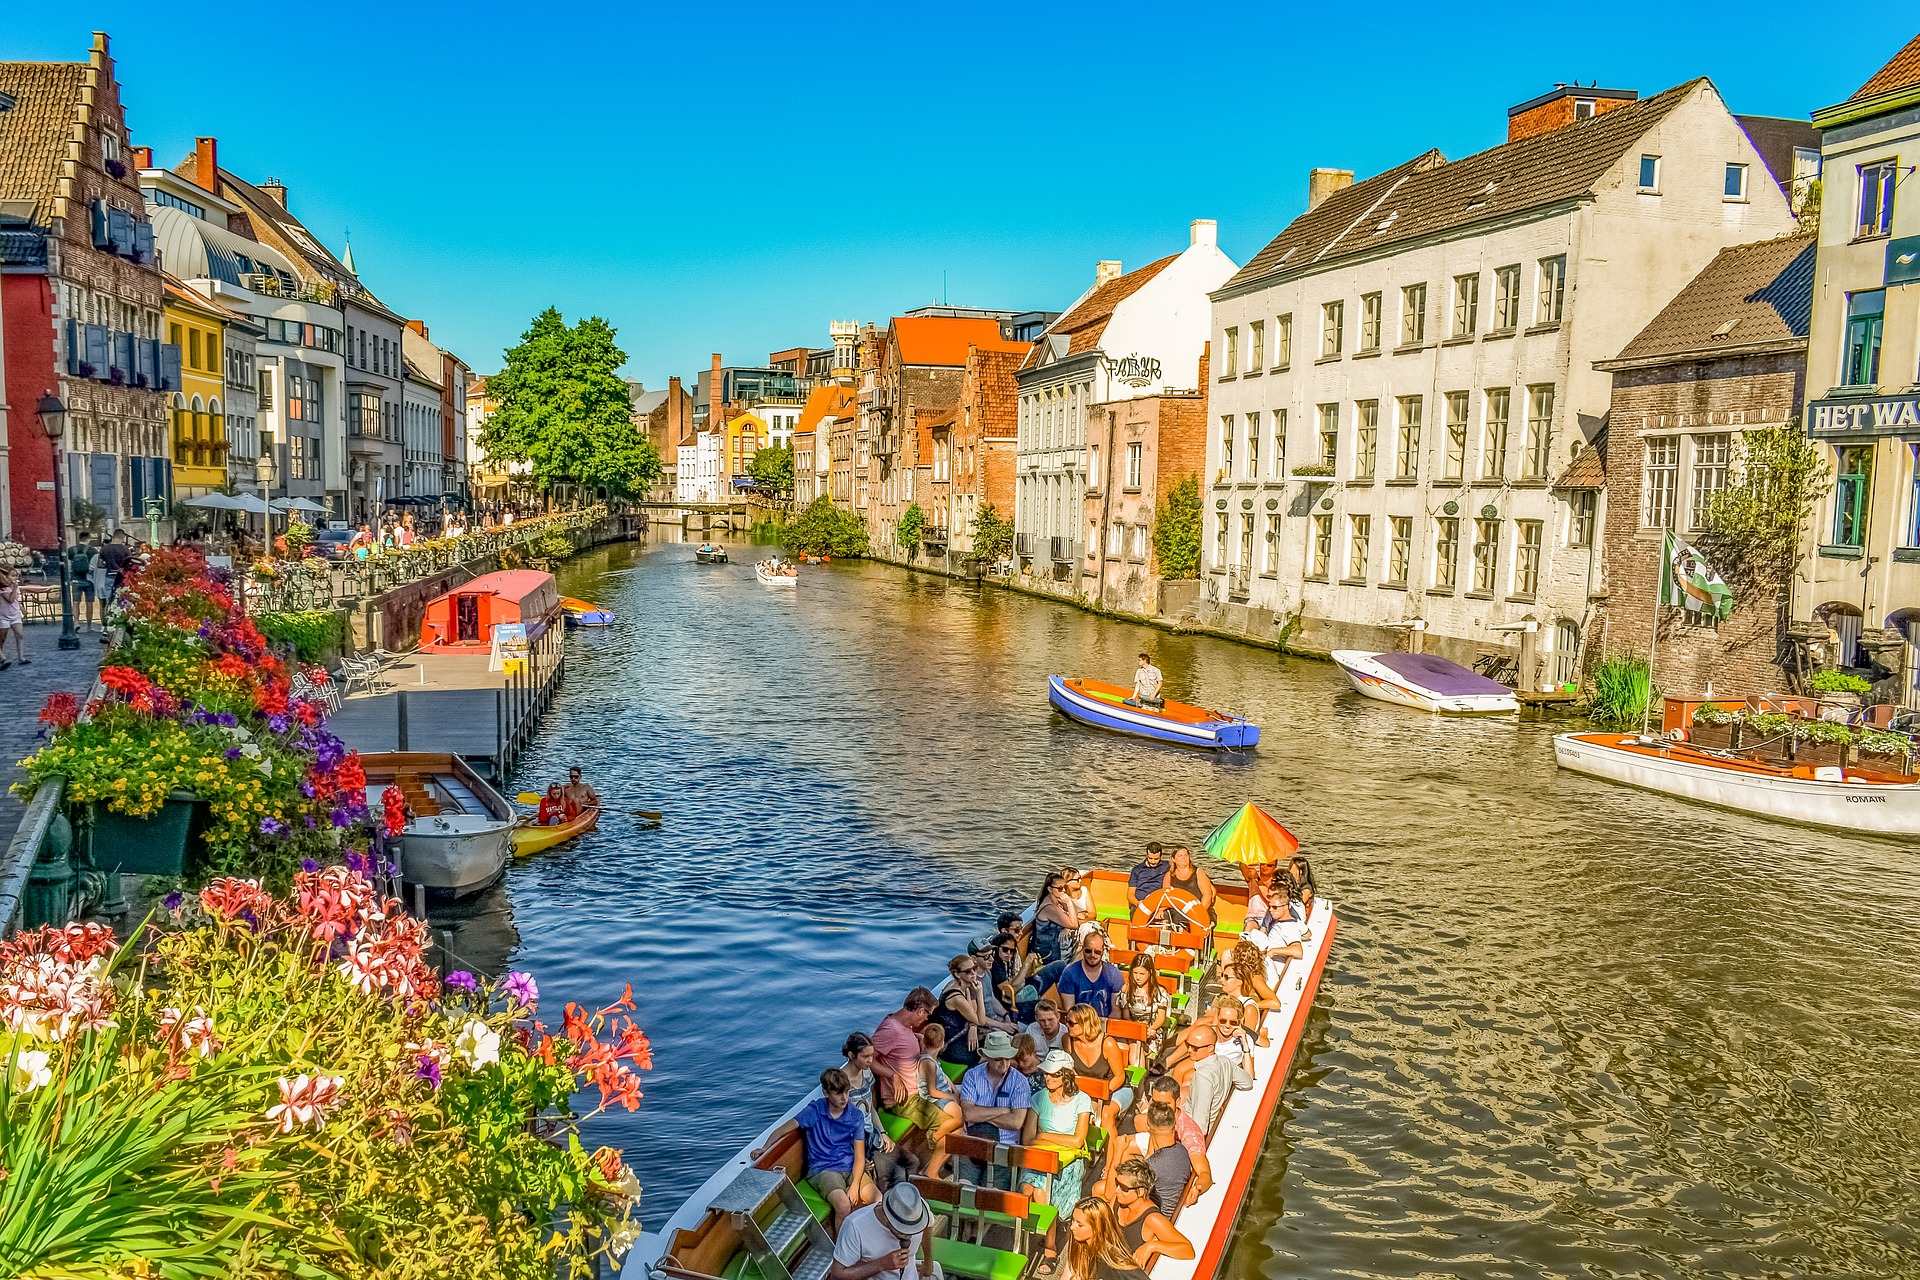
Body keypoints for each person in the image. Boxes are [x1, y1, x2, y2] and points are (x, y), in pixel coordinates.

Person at [765, 1067, 869, 1232]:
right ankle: (841, 1253)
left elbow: (859, 1155)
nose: (844, 1098)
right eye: (838, 1093)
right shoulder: (813, 1112)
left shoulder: (855, 1115)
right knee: (843, 1206)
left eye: (847, 1092)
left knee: (877, 1198)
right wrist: (764, 1148)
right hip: (823, 1169)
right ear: (826, 1093)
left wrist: (855, 1184)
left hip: (850, 1167)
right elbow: (783, 1129)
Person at [1117, 1075, 1212, 1202]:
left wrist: (1197, 1189)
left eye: (1165, 1104)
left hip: (1170, 1167)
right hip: (1158, 1155)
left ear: (1178, 1102)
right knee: (1123, 1144)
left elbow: (1205, 1174)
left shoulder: (1189, 1134)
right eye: (1155, 1103)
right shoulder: (1158, 1117)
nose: (1159, 1108)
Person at [956, 1030, 1031, 1188]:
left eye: (1007, 1058)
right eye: (998, 1059)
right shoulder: (972, 1075)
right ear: (988, 1057)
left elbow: (1016, 1122)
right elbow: (968, 1114)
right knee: (964, 1190)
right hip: (973, 1142)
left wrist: (980, 1114)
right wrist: (1003, 1110)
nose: (1003, 1063)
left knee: (993, 1197)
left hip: (1004, 1145)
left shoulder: (1020, 1082)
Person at [1022, 1051, 1093, 1211]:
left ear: (1066, 1076)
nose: (1048, 1077)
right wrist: (1061, 1140)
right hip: (1041, 1155)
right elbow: (1027, 1140)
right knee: (1026, 1189)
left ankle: (1046, 1233)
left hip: (1068, 1160)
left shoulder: (1082, 1100)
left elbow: (1078, 1141)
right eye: (1047, 1073)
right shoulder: (1038, 1098)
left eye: (1054, 1074)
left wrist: (1044, 1136)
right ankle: (1022, 1231)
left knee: (1041, 1193)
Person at [828, 1181, 936, 1280]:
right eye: (901, 1230)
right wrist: (881, 1264)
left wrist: (928, 1260)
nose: (908, 1236)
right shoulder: (855, 1225)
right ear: (887, 1215)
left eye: (914, 1229)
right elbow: (838, 1273)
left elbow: (928, 1226)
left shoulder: (918, 1210)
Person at [1108, 1158, 1193, 1270]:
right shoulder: (1117, 1201)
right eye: (1117, 1183)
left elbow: (1187, 1250)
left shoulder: (1152, 1219)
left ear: (1141, 1191)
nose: (1117, 1190)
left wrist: (1151, 1246)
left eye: (1124, 1188)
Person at [932, 955, 1015, 1067]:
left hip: (964, 1034)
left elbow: (973, 1012)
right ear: (957, 974)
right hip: (953, 1045)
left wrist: (972, 1026)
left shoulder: (964, 987)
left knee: (1009, 1042)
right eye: (968, 971)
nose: (973, 973)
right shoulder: (957, 998)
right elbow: (980, 1020)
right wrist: (979, 994)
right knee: (1001, 1053)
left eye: (974, 968)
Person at [911, 1022, 965, 1178]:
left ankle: (945, 1158)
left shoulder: (932, 1058)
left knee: (967, 1098)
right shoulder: (927, 1063)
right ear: (942, 1044)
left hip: (945, 1092)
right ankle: (934, 1137)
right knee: (960, 1117)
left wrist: (955, 1089)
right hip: (935, 1098)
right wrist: (953, 1096)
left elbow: (943, 1076)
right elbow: (933, 1091)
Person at [1063, 1004, 1131, 1125]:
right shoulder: (1067, 1040)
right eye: (1066, 1021)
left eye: (1071, 1023)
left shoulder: (1107, 1043)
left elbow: (1120, 1077)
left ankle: (1112, 1143)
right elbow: (1071, 1071)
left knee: (1105, 1115)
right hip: (1086, 1090)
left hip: (1115, 1088)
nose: (1066, 1025)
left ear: (1085, 1024)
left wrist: (1101, 1093)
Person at [1178, 1024, 1250, 1137]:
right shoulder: (1225, 1062)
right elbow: (1247, 1082)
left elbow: (1200, 1125)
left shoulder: (1202, 1076)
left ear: (1210, 1048)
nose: (1189, 1050)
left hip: (1190, 1127)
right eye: (1188, 1044)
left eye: (1195, 1047)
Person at [871, 989, 937, 1111]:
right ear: (921, 1011)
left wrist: (917, 1038)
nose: (927, 1018)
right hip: (903, 1101)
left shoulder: (905, 1026)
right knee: (955, 1118)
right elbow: (868, 1059)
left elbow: (899, 1044)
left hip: (919, 1093)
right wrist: (893, 1076)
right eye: (928, 1014)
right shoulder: (890, 1030)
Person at [1063, 1197, 1151, 1280]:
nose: (1072, 1227)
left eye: (1080, 1225)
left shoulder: (1115, 1261)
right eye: (1073, 1220)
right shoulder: (1080, 1245)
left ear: (1097, 1228)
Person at [1110, 955, 1170, 1063]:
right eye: (1135, 973)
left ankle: (1138, 1077)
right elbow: (1126, 1016)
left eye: (1142, 974)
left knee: (1135, 1047)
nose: (1138, 977)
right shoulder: (1126, 990)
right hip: (1131, 1028)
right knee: (1123, 1046)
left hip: (1151, 1031)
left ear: (1150, 973)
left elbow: (1161, 1018)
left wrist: (1149, 1030)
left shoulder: (1159, 992)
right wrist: (1135, 1030)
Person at [1055, 928, 1123, 1018]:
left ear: (1103, 951)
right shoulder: (1069, 973)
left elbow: (1116, 1012)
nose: (1092, 955)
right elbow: (1069, 1011)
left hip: (1105, 1024)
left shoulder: (1114, 974)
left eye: (1097, 952)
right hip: (1079, 1023)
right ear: (1082, 949)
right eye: (1088, 951)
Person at [1031, 871, 1080, 965]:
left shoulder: (1057, 901)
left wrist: (1066, 927)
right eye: (1060, 888)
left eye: (1065, 887)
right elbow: (1074, 925)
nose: (1064, 891)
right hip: (1048, 951)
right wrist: (1069, 904)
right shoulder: (1049, 908)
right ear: (1050, 889)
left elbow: (1073, 918)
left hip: (1056, 944)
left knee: (1090, 929)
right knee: (1088, 931)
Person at [1163, 847, 1217, 926]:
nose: (1184, 857)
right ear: (1173, 859)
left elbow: (1207, 895)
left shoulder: (1198, 872)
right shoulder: (1169, 876)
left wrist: (1197, 913)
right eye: (1180, 855)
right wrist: (1161, 910)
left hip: (1200, 910)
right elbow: (1166, 897)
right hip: (1178, 912)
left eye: (1186, 855)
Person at [1125, 843, 1167, 918]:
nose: (1153, 862)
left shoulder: (1167, 867)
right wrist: (1137, 903)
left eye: (1156, 859)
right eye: (1150, 858)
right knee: (1135, 913)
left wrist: (1162, 908)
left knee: (1167, 915)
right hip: (1141, 902)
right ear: (1147, 855)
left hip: (1159, 903)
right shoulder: (1137, 870)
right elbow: (1130, 894)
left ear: (1160, 856)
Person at [66, 534, 97, 630]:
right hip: (89, 580)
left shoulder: (71, 550)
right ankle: (89, 625)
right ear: (88, 539)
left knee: (75, 602)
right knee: (89, 603)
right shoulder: (92, 551)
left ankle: (76, 622)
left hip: (76, 579)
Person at [0, 571, 25, 668]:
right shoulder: (2, 589)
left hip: (15, 614)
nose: (15, 578)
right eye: (12, 576)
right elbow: (10, 599)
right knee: (2, 638)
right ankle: (2, 660)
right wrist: (14, 589)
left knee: (20, 635)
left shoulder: (15, 587)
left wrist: (22, 609)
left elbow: (15, 600)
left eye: (16, 576)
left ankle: (21, 657)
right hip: (3, 616)